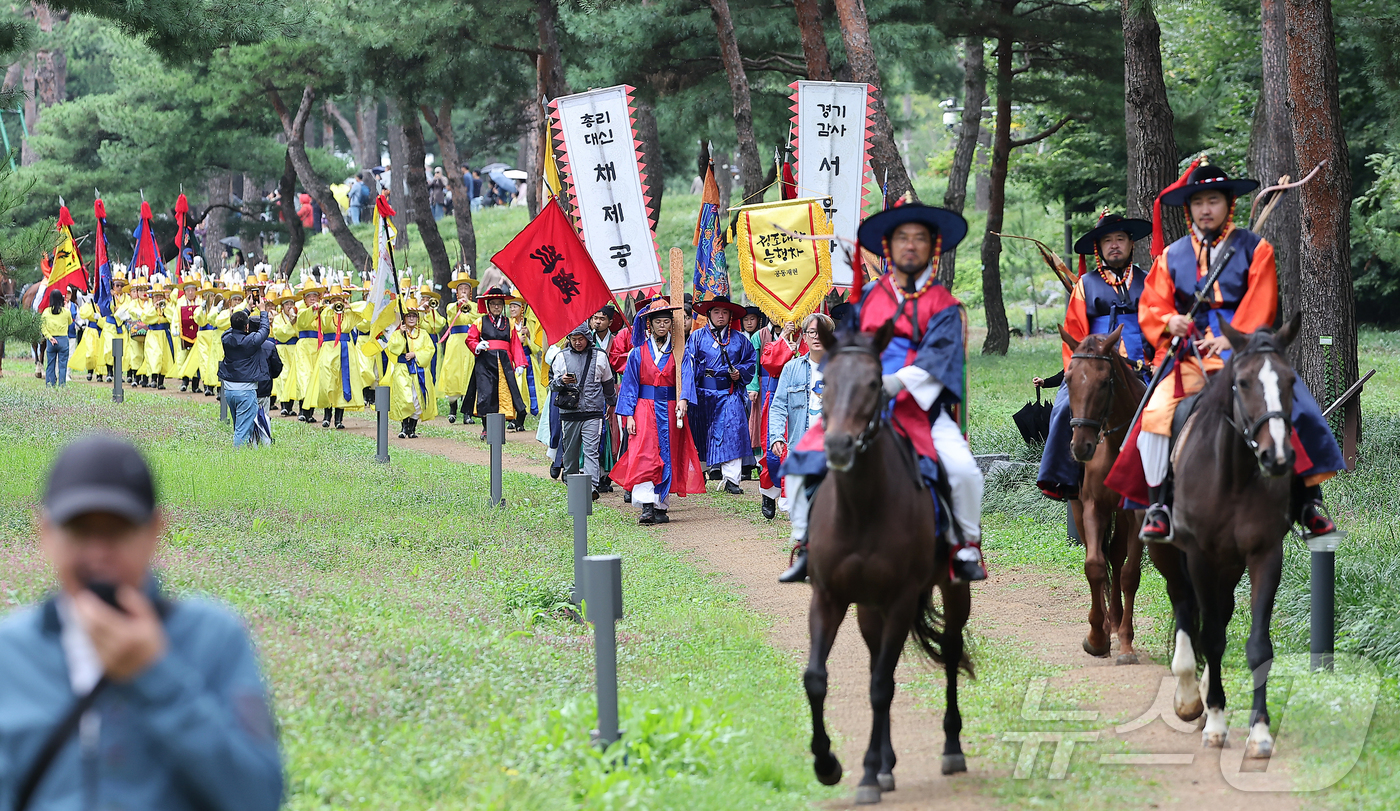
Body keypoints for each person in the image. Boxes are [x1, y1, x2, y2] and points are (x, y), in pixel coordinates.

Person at [0, 435, 282, 809]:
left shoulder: (214, 638)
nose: (98, 552)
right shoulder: (12, 655)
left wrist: (156, 674)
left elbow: (258, 795)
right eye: (80, 531)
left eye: (117, 531)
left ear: (154, 532)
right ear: (46, 533)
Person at [1135, 163, 1345, 540]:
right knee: (1154, 414)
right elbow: (1152, 303)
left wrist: (1234, 338)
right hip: (1190, 355)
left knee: (1293, 403)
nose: (1205, 209)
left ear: (1227, 203)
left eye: (1212, 200)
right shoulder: (1171, 255)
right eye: (1198, 202)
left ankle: (1307, 501)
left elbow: (1261, 303)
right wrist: (1171, 322)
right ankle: (1159, 505)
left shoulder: (1256, 248)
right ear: (1190, 209)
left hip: (1244, 351)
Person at [783, 203, 987, 584]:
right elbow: (846, 347)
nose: (910, 246)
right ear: (889, 248)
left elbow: (940, 358)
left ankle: (964, 546)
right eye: (902, 238)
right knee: (800, 462)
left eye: (919, 239)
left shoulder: (945, 306)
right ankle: (804, 545)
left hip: (920, 409)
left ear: (933, 248)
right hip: (861, 402)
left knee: (963, 471)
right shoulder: (870, 299)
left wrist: (895, 382)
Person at [1036, 212, 1153, 501]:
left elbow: (1157, 324)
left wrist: (1155, 360)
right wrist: (1076, 373)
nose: (1114, 245)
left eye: (1120, 239)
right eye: (1108, 241)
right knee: (1064, 408)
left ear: (1131, 244)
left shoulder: (1148, 281)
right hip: (1093, 365)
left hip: (1143, 365)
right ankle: (1064, 479)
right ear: (1099, 248)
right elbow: (1074, 334)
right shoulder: (1085, 285)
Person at [612, 298, 705, 524]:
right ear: (649, 325)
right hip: (643, 409)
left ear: (671, 326)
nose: (662, 326)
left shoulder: (679, 352)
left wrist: (683, 400)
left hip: (671, 409)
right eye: (658, 322)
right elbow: (630, 386)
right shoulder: (637, 353)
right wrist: (629, 415)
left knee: (669, 453)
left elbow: (686, 379)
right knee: (644, 454)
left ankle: (661, 504)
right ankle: (646, 506)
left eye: (666, 322)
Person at [769, 313, 831, 567]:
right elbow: (779, 405)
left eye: (822, 332)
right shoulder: (792, 368)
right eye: (812, 332)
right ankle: (805, 549)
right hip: (802, 444)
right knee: (800, 499)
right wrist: (775, 435)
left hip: (834, 445)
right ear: (804, 336)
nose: (817, 338)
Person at [682, 294, 757, 494]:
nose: (721, 316)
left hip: (729, 393)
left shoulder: (740, 340)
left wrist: (739, 372)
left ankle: (732, 479)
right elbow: (688, 367)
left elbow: (751, 362)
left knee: (733, 432)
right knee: (700, 433)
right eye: (716, 312)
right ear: (708, 314)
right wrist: (687, 395)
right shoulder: (697, 337)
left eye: (725, 312)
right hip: (702, 393)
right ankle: (700, 475)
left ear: (731, 315)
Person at [552, 322, 617, 497]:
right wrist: (561, 382)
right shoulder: (561, 357)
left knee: (591, 450)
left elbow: (608, 384)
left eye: (580, 339)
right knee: (571, 451)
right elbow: (552, 385)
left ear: (588, 338)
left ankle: (591, 487)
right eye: (574, 339)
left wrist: (612, 403)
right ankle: (571, 481)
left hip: (593, 412)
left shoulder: (600, 356)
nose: (577, 342)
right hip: (569, 413)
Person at [464, 287, 527, 440]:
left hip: (504, 363)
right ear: (488, 305)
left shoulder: (509, 323)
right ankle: (486, 428)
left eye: (499, 304)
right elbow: (470, 338)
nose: (497, 307)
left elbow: (515, 344)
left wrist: (519, 362)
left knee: (503, 394)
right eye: (493, 304)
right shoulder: (480, 321)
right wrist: (477, 346)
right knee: (486, 394)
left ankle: (499, 428)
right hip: (485, 363)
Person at [219, 299, 271, 447]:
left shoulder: (225, 338)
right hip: (246, 390)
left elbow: (232, 327)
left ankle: (246, 452)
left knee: (239, 426)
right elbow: (264, 331)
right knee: (241, 431)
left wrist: (248, 308)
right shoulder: (250, 341)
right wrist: (263, 311)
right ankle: (237, 459)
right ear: (247, 327)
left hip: (229, 390)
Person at [385, 297, 439, 438]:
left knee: (417, 398)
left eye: (414, 315)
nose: (411, 318)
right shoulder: (398, 333)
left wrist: (415, 354)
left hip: (418, 370)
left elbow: (430, 350)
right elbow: (393, 348)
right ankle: (404, 426)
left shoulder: (423, 333)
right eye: (408, 315)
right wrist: (401, 334)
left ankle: (412, 428)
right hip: (403, 370)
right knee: (405, 397)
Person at [441, 270, 480, 425]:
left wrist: (468, 306)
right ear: (456, 291)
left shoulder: (475, 306)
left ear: (471, 291)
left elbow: (478, 318)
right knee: (453, 374)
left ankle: (467, 413)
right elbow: (450, 315)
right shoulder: (452, 306)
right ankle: (452, 409)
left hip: (469, 342)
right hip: (455, 343)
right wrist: (459, 305)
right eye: (461, 288)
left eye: (466, 288)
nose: (464, 290)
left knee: (468, 374)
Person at [41, 289, 72, 387]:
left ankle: (50, 384)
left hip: (51, 341)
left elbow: (42, 327)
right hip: (63, 340)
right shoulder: (66, 312)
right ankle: (62, 385)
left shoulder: (46, 312)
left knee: (50, 364)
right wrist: (66, 308)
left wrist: (50, 337)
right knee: (62, 365)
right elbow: (70, 322)